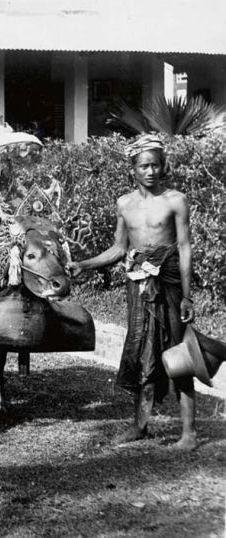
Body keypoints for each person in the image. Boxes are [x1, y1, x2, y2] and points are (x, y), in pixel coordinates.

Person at [68, 134, 197, 450]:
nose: (151, 171)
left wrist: (187, 294)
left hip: (169, 284)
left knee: (178, 352)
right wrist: (85, 264)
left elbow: (183, 247)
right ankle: (139, 425)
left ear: (162, 166)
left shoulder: (175, 200)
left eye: (155, 165)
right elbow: (118, 248)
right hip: (137, 285)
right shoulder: (124, 204)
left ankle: (189, 433)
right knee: (139, 349)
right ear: (133, 170)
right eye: (144, 166)